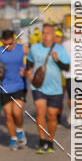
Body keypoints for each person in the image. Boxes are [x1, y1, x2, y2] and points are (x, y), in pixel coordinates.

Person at [26, 23, 70, 154]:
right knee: (40, 112)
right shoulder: (34, 48)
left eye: (48, 33)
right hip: (38, 86)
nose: (45, 36)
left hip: (55, 88)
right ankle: (41, 140)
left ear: (53, 35)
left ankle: (50, 140)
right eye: (43, 33)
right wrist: (29, 71)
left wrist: (57, 60)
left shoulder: (60, 49)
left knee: (52, 116)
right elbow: (29, 61)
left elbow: (66, 67)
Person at [0, 29, 28, 149]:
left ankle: (20, 130)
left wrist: (27, 71)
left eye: (10, 44)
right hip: (4, 87)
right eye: (5, 44)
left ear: (14, 40)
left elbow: (35, 60)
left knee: (17, 113)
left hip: (19, 85)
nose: (8, 47)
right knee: (8, 114)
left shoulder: (23, 48)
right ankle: (13, 139)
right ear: (2, 41)